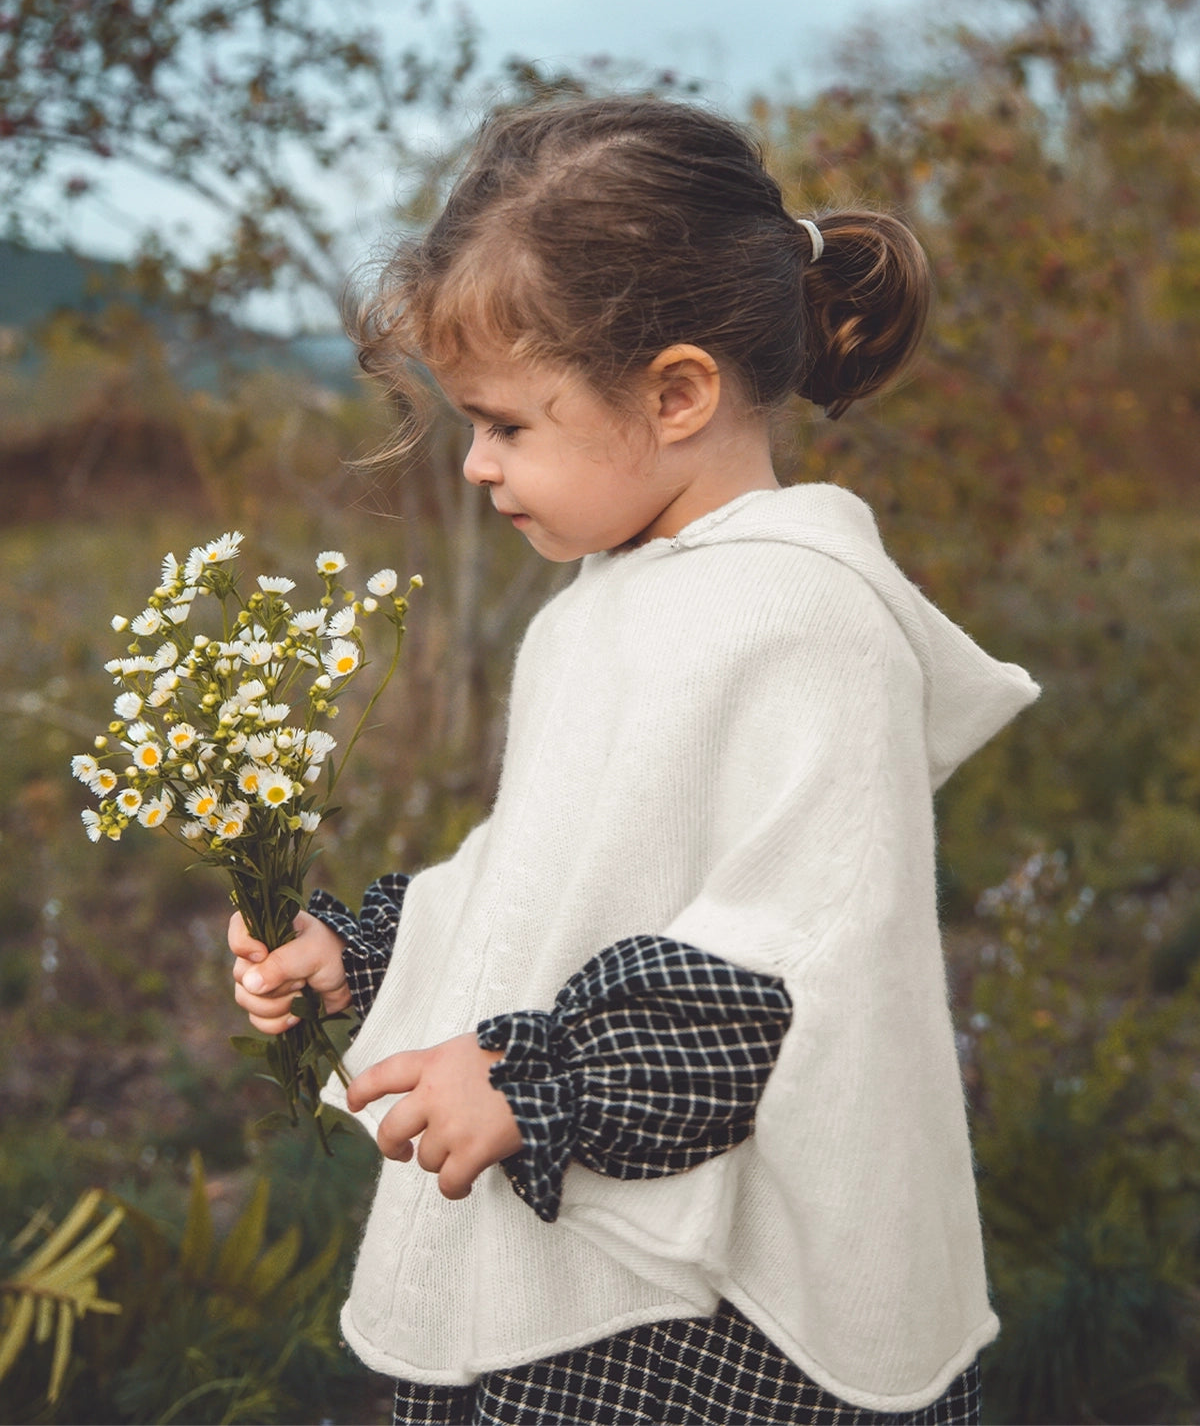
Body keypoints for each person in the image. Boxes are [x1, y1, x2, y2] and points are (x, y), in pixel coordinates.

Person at [229, 96, 1038, 1426]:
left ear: (676, 393)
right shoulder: (612, 593)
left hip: (711, 1326)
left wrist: (540, 1077)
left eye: (505, 423)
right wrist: (363, 948)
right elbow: (554, 868)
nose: (480, 466)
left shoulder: (806, 619)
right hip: (575, 1194)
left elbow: (793, 950)